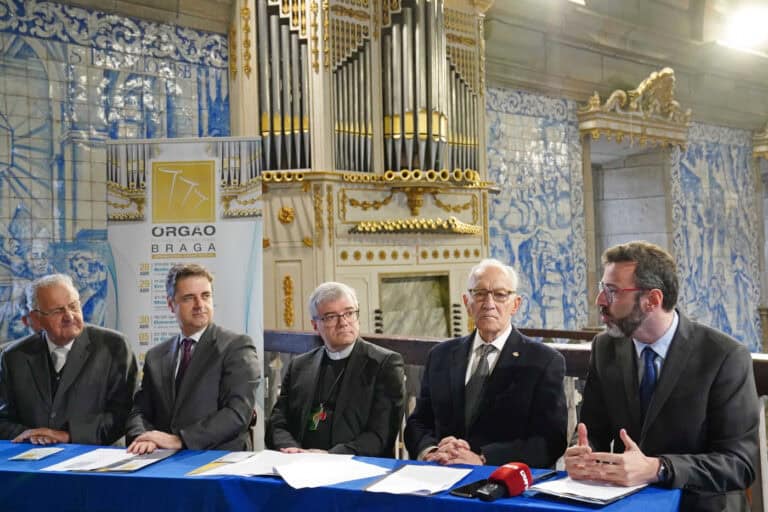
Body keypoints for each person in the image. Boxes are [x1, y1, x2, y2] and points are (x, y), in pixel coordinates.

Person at [565, 241, 759, 511]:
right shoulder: (605, 347)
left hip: (700, 504)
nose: (600, 301)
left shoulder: (724, 356)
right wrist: (581, 451)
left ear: (652, 300)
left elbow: (739, 464)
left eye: (612, 291)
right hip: (627, 502)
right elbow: (592, 429)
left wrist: (659, 468)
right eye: (602, 289)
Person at [404, 258, 568, 467]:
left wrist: (483, 459)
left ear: (515, 304)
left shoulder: (544, 361)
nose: (489, 304)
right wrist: (432, 451)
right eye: (480, 294)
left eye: (500, 295)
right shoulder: (440, 355)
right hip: (440, 473)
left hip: (501, 482)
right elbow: (418, 422)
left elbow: (550, 441)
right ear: (467, 303)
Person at [126, 263, 260, 453]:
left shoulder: (237, 347)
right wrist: (143, 437)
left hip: (218, 461)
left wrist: (180, 439)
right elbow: (139, 411)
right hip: (163, 462)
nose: (200, 305)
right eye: (189, 298)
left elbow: (237, 414)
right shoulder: (156, 356)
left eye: (205, 296)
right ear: (171, 304)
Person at [266, 282, 405, 457]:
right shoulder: (300, 366)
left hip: (357, 469)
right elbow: (277, 423)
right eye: (331, 316)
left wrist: (330, 457)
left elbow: (380, 436)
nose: (343, 323)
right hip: (297, 465)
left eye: (349, 313)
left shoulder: (383, 364)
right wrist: (291, 450)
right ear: (315, 325)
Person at [0, 273, 137, 445]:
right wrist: (30, 435)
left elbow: (124, 414)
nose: (69, 316)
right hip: (29, 462)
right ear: (36, 318)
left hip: (93, 459)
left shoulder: (114, 347)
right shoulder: (14, 356)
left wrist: (68, 435)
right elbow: (3, 418)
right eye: (57, 311)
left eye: (73, 306)